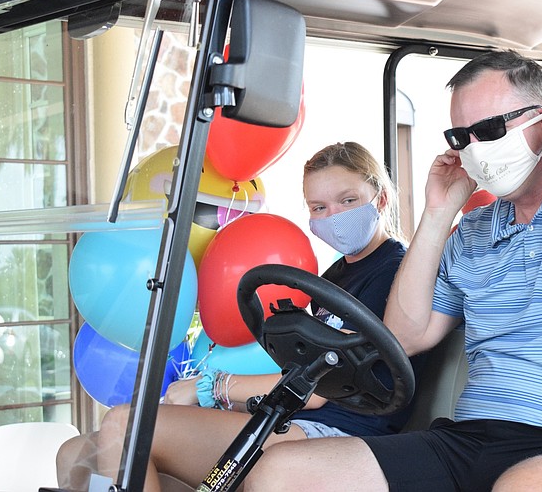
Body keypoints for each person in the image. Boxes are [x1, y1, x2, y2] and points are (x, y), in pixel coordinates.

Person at [243, 49, 542, 492]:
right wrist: (439, 213)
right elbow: (405, 335)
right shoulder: (474, 231)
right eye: (462, 137)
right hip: (476, 438)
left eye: (492, 130)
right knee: (279, 471)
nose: (476, 149)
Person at [57, 141, 418, 492]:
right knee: (75, 456)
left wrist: (211, 388)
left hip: (337, 435)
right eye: (319, 207)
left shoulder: (394, 272)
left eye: (348, 201)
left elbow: (318, 388)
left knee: (124, 425)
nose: (334, 217)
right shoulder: (336, 275)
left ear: (380, 198)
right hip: (286, 419)